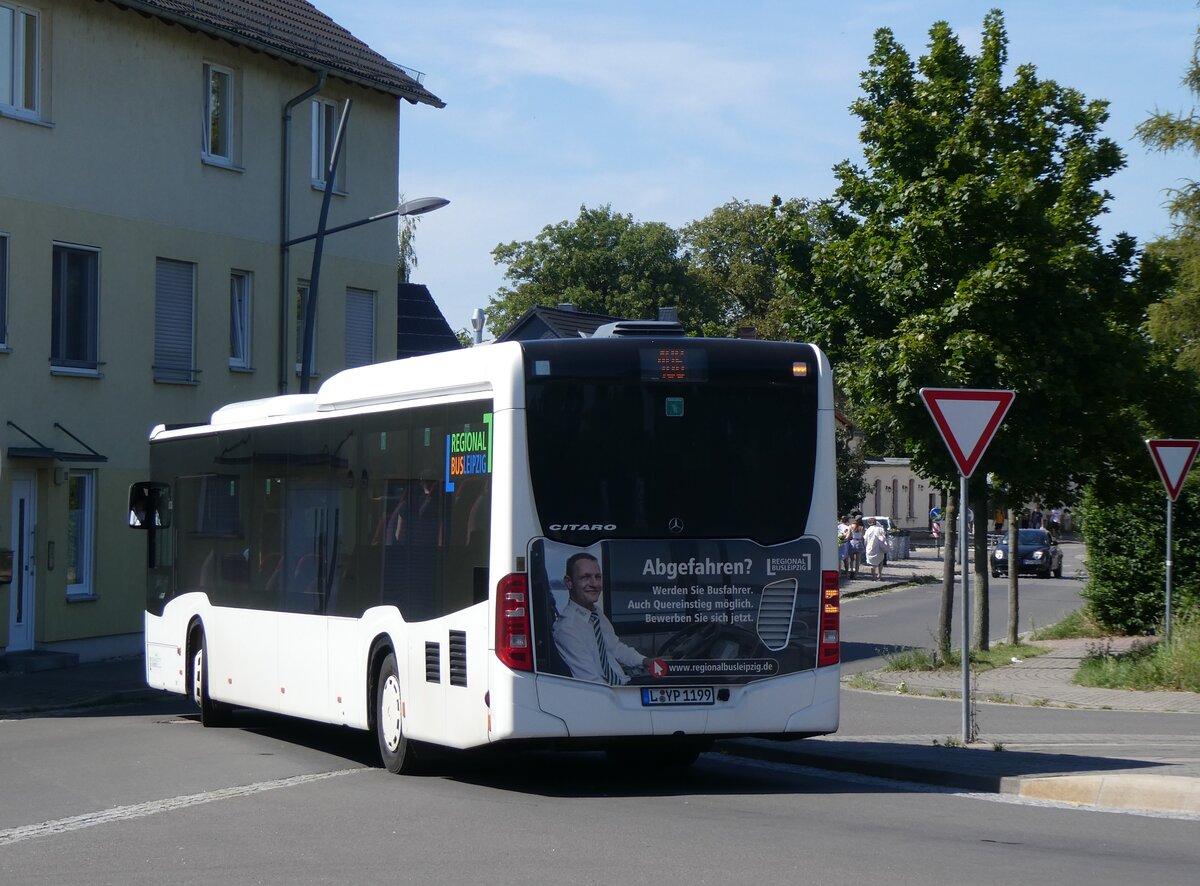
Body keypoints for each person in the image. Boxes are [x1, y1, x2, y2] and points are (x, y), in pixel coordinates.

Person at [552, 553, 648, 685]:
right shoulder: (567, 629)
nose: (594, 584)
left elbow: (616, 648)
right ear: (569, 582)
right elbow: (592, 682)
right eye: (585, 577)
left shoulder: (597, 614)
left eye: (598, 577)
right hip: (605, 694)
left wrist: (645, 661)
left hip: (623, 683)